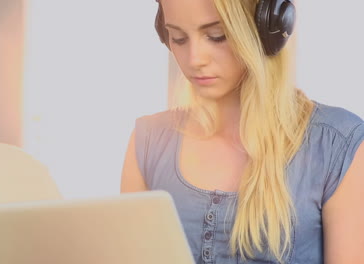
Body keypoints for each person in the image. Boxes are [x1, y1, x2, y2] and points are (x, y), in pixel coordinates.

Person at [120, 0, 364, 263]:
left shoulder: (337, 145)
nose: (194, 59)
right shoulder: (148, 142)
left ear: (268, 27)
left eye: (217, 36)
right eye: (178, 38)